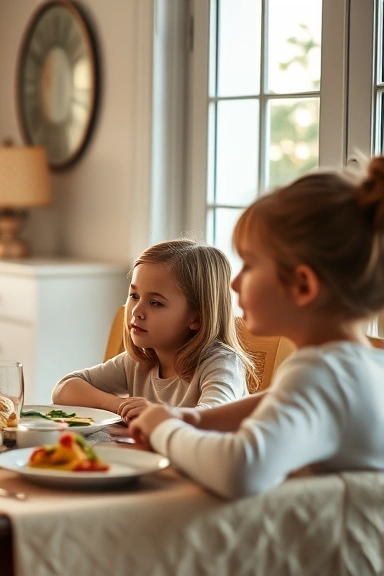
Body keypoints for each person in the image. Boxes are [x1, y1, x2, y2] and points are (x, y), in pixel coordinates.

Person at [129, 159, 384, 499]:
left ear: (302, 286)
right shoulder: (359, 365)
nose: (234, 283)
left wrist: (165, 428)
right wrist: (193, 420)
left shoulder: (321, 373)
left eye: (249, 265)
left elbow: (239, 470)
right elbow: (275, 400)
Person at [51, 239, 251, 423]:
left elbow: (215, 416)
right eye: (134, 295)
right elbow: (64, 389)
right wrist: (119, 405)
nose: (136, 311)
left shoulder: (221, 363)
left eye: (155, 303)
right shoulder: (140, 362)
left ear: (197, 318)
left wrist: (158, 415)